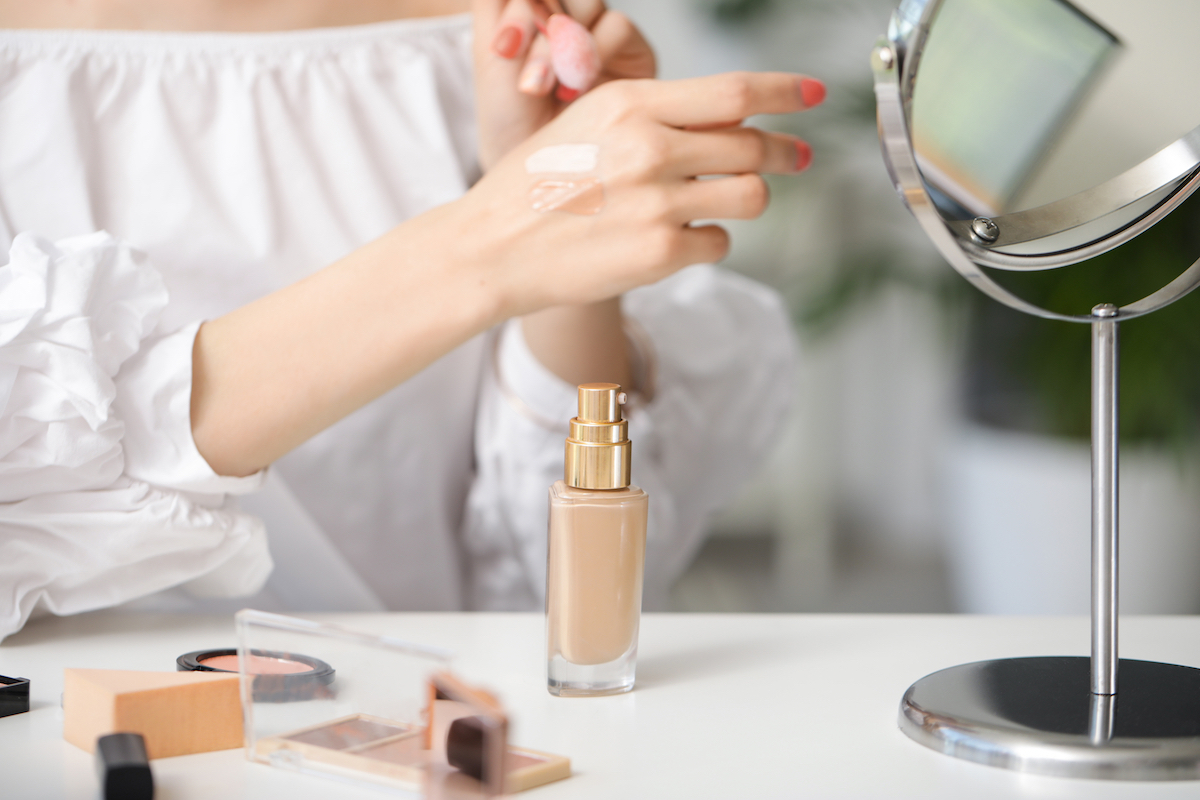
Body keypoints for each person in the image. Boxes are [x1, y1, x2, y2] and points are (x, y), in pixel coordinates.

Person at [0, 0, 819, 639]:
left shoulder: (489, 39)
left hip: (434, 732)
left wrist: (572, 244)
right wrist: (486, 243)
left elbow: (559, 595)